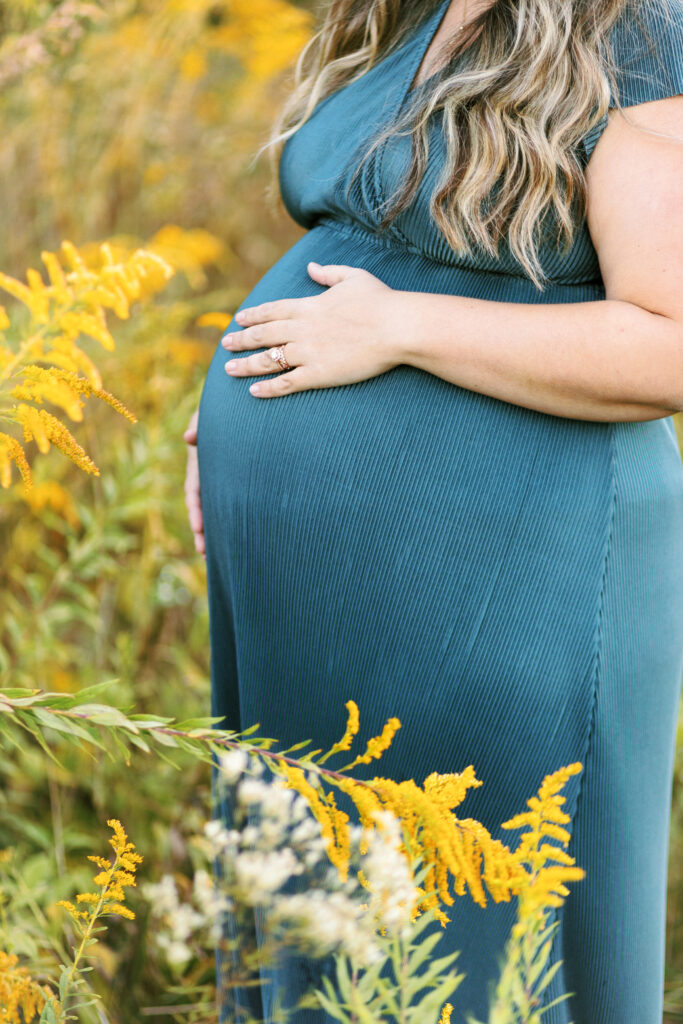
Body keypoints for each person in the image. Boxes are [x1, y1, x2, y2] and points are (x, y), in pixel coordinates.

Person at [184, 0, 683, 1020]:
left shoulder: (636, 33)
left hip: (509, 571)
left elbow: (666, 338)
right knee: (325, 917)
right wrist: (244, 400)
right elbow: (364, 245)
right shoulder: (423, 14)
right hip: (320, 612)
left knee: (473, 939)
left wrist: (400, 329)